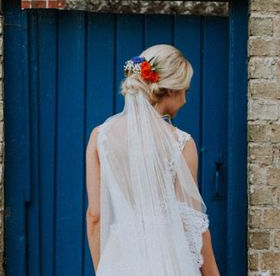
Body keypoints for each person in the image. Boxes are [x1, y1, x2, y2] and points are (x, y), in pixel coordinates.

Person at [85, 44, 221, 276]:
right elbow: (192, 222)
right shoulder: (181, 142)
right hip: (170, 262)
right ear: (169, 90)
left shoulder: (100, 137)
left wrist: (102, 269)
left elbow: (95, 216)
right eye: (185, 91)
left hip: (120, 261)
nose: (186, 100)